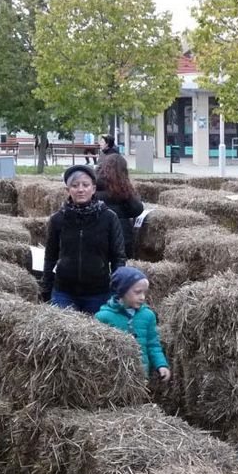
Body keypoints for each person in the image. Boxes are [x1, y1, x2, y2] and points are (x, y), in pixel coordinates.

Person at [40, 164, 125, 314]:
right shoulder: (58, 219)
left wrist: (119, 288)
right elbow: (50, 256)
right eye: (75, 185)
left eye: (85, 185)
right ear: (68, 190)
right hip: (64, 292)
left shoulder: (109, 218)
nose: (80, 189)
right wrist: (46, 286)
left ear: (93, 189)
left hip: (98, 292)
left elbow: (118, 256)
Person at [94, 266, 169, 381]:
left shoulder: (148, 316)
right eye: (138, 292)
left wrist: (161, 365)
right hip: (114, 378)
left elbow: (153, 344)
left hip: (141, 376)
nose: (142, 297)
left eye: (145, 293)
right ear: (122, 291)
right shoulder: (103, 317)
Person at [94, 153, 144, 259]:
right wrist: (123, 212)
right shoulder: (123, 188)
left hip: (97, 235)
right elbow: (137, 209)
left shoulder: (92, 186)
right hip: (121, 234)